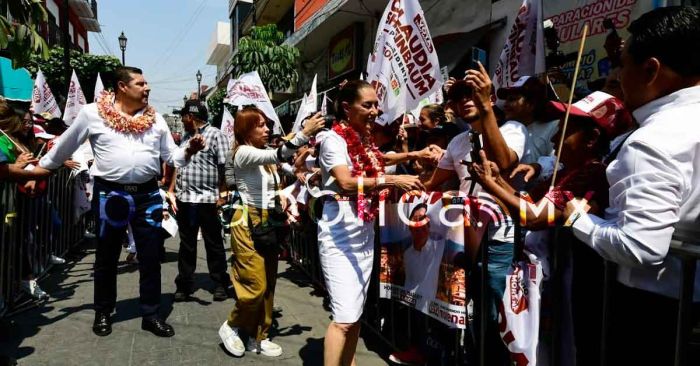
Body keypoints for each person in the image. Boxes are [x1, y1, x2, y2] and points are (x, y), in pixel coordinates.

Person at [563, 7, 700, 364]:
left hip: (655, 313)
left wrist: (578, 220)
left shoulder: (652, 141)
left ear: (651, 70)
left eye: (621, 65)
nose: (618, 76)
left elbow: (639, 247)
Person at [30, 66, 206, 338]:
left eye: (146, 83)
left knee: (150, 256)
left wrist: (190, 150)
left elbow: (174, 158)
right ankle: (103, 311)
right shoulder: (92, 114)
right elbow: (64, 147)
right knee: (107, 256)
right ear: (122, 87)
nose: (147, 88)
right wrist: (37, 172)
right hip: (110, 195)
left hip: (148, 195)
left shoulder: (156, 119)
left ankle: (151, 313)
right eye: (141, 83)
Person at [423, 62, 527, 365]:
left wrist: (486, 112)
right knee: (457, 306)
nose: (465, 101)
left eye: (472, 94)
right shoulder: (457, 142)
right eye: (458, 98)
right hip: (463, 237)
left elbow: (504, 162)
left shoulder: (513, 129)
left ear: (490, 97)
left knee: (495, 314)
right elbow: (431, 184)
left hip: (500, 241)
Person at [315, 80, 424, 366]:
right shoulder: (333, 139)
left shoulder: (363, 139)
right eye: (368, 105)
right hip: (339, 233)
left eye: (376, 104)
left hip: (363, 231)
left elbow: (379, 159)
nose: (376, 110)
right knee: (343, 318)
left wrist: (413, 154)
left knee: (355, 315)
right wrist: (392, 179)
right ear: (347, 108)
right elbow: (346, 182)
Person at [218, 106, 324, 358]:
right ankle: (232, 325)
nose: (267, 129)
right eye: (260, 125)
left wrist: (305, 179)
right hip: (246, 221)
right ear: (245, 130)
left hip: (269, 222)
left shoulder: (264, 154)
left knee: (269, 283)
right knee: (254, 283)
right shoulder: (243, 152)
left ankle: (260, 335)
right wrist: (303, 133)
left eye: (267, 124)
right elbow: (279, 155)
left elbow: (289, 170)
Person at [167, 99, 231, 302]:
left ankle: (220, 282)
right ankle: (184, 284)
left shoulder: (215, 135)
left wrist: (222, 193)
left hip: (208, 199)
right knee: (187, 244)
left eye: (182, 116)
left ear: (190, 117)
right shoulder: (185, 137)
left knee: (213, 243)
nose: (181, 119)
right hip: (186, 199)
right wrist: (172, 190)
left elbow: (224, 166)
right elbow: (179, 165)